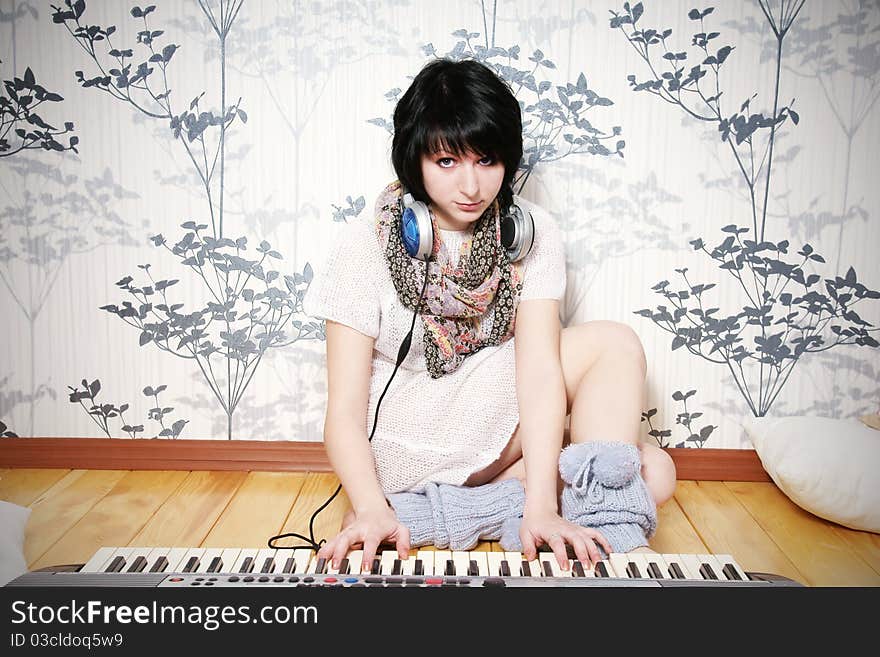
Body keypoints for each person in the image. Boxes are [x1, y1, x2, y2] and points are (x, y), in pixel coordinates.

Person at [304, 58, 677, 576]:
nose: (472, 186)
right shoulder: (364, 245)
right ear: (414, 161)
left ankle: (466, 513)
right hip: (410, 441)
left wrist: (543, 505)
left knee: (655, 469)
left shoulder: (529, 231)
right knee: (638, 452)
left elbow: (540, 370)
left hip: (494, 422)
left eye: (486, 160)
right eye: (448, 162)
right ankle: (447, 506)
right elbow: (344, 408)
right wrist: (368, 504)